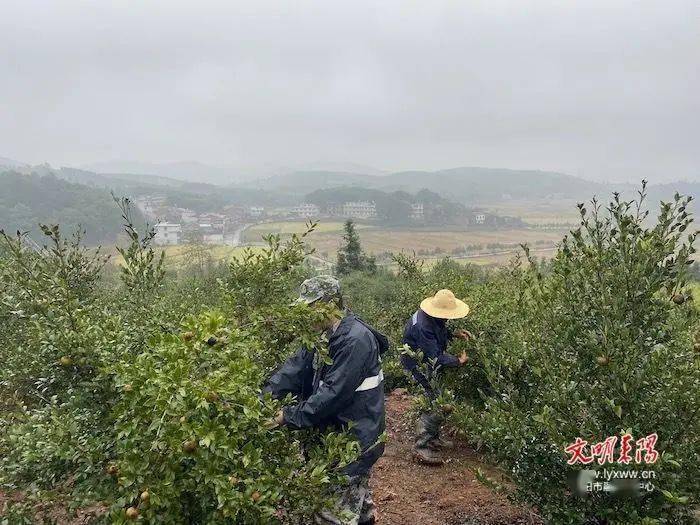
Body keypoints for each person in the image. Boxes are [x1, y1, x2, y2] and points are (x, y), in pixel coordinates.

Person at [264, 275, 388, 525]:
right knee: (355, 497)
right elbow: (294, 371)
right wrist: (260, 399)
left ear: (329, 305)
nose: (306, 314)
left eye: (310, 307)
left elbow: (333, 394)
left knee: (333, 512)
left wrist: (287, 416)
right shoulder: (321, 335)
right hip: (337, 432)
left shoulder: (355, 340)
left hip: (354, 438)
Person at [401, 289, 474, 465]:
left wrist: (453, 334)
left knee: (438, 400)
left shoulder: (431, 317)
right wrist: (458, 360)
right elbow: (435, 356)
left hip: (426, 363)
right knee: (435, 403)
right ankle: (421, 446)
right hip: (418, 366)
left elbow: (438, 331)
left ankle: (433, 438)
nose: (447, 317)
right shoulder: (422, 326)